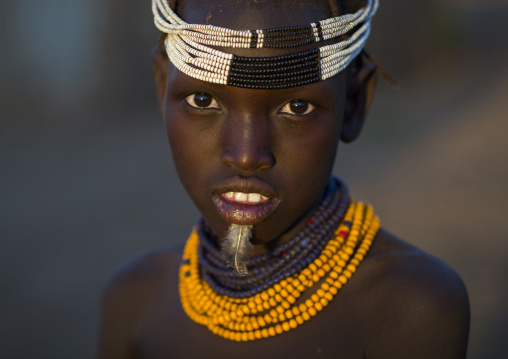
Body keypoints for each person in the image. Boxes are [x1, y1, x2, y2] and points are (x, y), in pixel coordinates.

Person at [97, 0, 470, 357]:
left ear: (353, 104)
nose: (246, 156)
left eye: (297, 107)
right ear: (162, 87)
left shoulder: (412, 308)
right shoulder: (134, 299)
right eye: (202, 100)